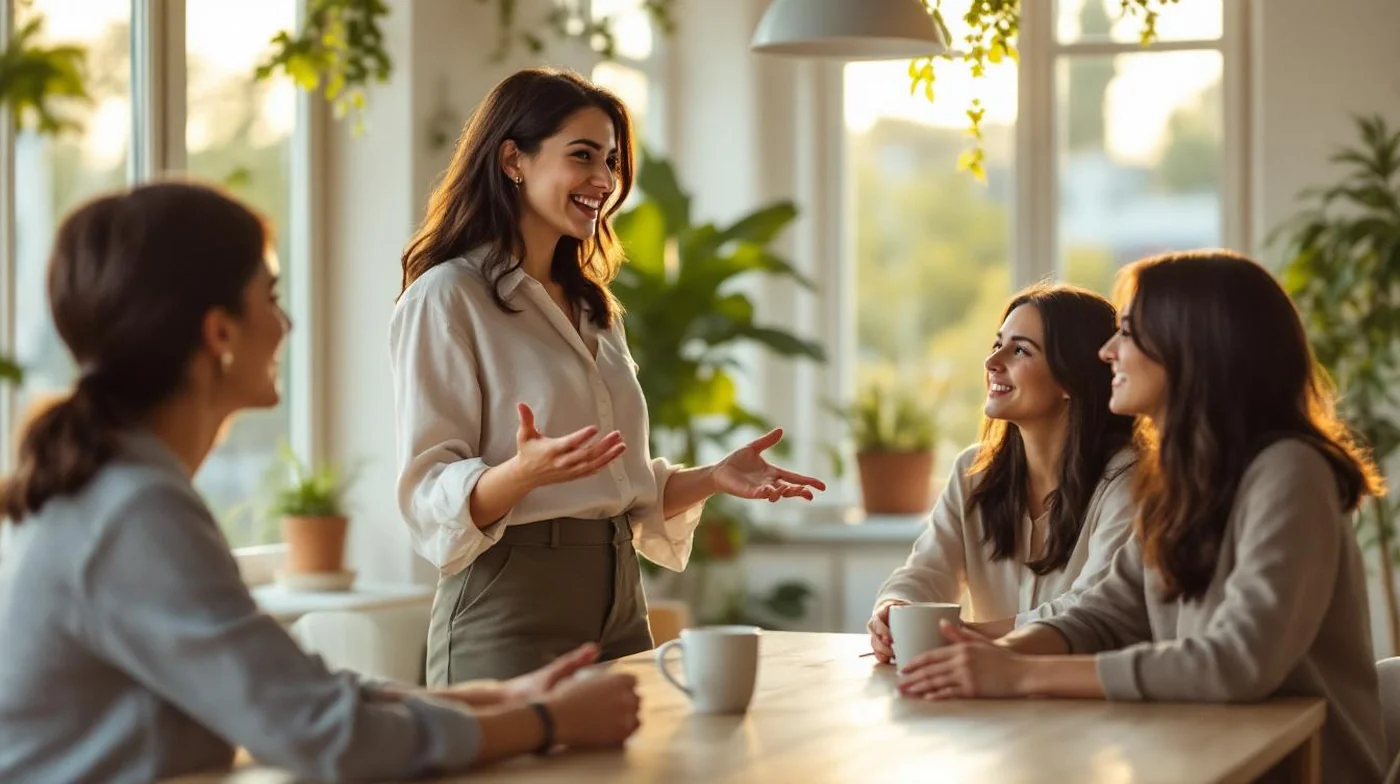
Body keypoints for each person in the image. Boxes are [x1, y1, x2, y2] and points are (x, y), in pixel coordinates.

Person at [0, 182, 643, 783]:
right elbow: (320, 733)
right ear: (219, 332)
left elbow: (295, 691)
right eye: (271, 298)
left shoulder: (118, 493)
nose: (286, 326)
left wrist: (493, 698)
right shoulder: (133, 512)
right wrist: (546, 723)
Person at [392, 67, 825, 685]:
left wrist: (713, 477)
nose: (605, 179)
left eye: (612, 161)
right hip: (510, 605)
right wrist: (521, 473)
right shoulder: (447, 296)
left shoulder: (593, 308)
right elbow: (427, 490)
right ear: (513, 160)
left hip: (620, 600)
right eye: (583, 155)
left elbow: (617, 488)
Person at [897, 251, 1386, 782]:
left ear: (1192, 348)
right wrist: (991, 657)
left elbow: (1238, 661)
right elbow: (1103, 613)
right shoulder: (1179, 480)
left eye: (1127, 334)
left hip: (1299, 770)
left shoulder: (1290, 471)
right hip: (1200, 757)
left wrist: (1022, 674)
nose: (1106, 352)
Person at [868, 284, 1138, 661]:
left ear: (1070, 378)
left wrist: (967, 635)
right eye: (998, 344)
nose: (992, 361)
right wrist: (896, 608)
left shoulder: (1128, 478)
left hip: (1086, 691)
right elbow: (927, 572)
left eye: (1020, 350)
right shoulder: (972, 471)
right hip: (987, 689)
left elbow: (1091, 610)